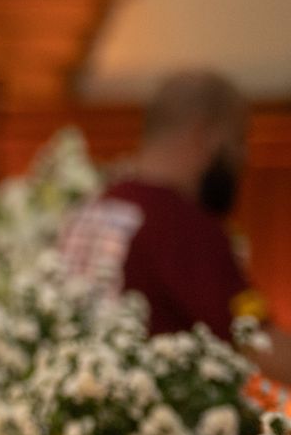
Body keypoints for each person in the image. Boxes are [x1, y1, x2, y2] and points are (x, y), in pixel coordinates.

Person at [59, 69, 291, 382]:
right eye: (238, 139)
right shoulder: (179, 225)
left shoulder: (94, 206)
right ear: (204, 134)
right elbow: (258, 340)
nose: (245, 157)